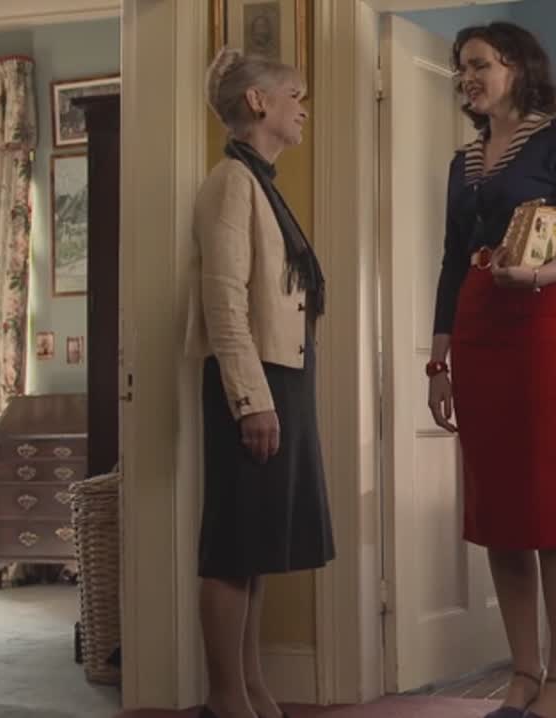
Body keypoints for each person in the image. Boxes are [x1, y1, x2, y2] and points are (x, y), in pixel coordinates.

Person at [427, 21, 556, 718]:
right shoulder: (462, 162)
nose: (467, 78)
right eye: (461, 68)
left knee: (550, 500)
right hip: (477, 328)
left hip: (542, 326)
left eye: (478, 64)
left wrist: (547, 272)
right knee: (498, 507)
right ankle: (523, 673)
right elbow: (451, 262)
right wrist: (438, 361)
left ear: (516, 67)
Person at [186, 46, 333, 718]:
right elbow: (223, 300)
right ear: (257, 102)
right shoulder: (230, 182)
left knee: (258, 545)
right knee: (233, 544)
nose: (302, 108)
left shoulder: (260, 181)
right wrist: (250, 401)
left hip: (283, 379)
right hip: (253, 385)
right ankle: (225, 697)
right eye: (293, 95)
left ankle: (250, 686)